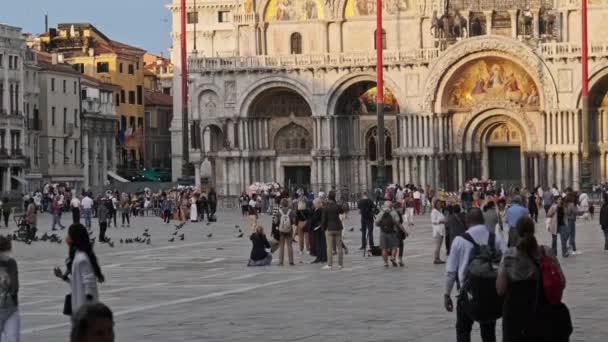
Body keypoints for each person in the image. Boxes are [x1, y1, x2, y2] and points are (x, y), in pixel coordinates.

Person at [496, 217, 568, 342]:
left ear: (517, 232)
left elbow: (500, 290)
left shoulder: (509, 256)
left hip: (515, 316)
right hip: (543, 312)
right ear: (533, 231)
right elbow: (561, 282)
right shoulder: (546, 253)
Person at [444, 208, 506, 342]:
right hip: (491, 292)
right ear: (483, 221)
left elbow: (451, 272)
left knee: (463, 330)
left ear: (467, 222)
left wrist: (447, 294)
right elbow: (506, 263)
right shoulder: (495, 238)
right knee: (489, 332)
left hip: (466, 293)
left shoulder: (459, 240)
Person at [54, 223, 105, 315]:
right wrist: (63, 277)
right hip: (79, 309)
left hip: (85, 310)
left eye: (69, 235)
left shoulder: (82, 259)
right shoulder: (78, 256)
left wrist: (88, 306)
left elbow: (89, 282)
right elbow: (77, 282)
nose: (67, 237)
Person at [0, 236, 20, 342]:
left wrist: (8, 283)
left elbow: (15, 286)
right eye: (4, 250)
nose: (7, 253)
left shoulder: (11, 262)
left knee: (13, 339)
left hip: (11, 309)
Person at [321, 191, 344, 270]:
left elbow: (324, 220)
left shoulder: (326, 207)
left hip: (329, 228)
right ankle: (340, 264)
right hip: (338, 228)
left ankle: (330, 264)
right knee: (339, 247)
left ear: (328, 197)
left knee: (329, 247)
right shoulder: (337, 206)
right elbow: (342, 211)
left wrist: (323, 228)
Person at [375, 201, 401, 268]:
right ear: (391, 206)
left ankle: (385, 263)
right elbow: (398, 222)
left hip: (383, 232)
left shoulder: (381, 213)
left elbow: (376, 223)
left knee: (384, 248)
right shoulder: (393, 212)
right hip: (393, 232)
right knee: (394, 246)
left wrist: (382, 224)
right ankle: (392, 257)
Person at [275, 198, 295, 266]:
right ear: (287, 203)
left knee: (282, 246)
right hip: (289, 230)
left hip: (281, 230)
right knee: (289, 246)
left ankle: (281, 262)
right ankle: (291, 261)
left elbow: (276, 221)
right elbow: (294, 221)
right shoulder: (291, 211)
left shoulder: (279, 211)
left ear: (281, 204)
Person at [308, 198, 326, 264]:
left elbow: (314, 219)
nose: (314, 205)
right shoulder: (322, 209)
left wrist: (311, 220)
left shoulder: (319, 210)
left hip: (317, 228)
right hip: (321, 228)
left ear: (318, 204)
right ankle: (323, 257)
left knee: (319, 243)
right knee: (322, 243)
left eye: (315, 204)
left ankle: (320, 257)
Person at [431, 199, 446, 264]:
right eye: (438, 203)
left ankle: (438, 258)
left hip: (441, 230)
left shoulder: (440, 211)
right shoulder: (434, 211)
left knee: (439, 246)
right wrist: (440, 221)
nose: (440, 204)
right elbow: (433, 221)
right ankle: (436, 258)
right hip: (437, 230)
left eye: (440, 203)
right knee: (437, 245)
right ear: (435, 204)